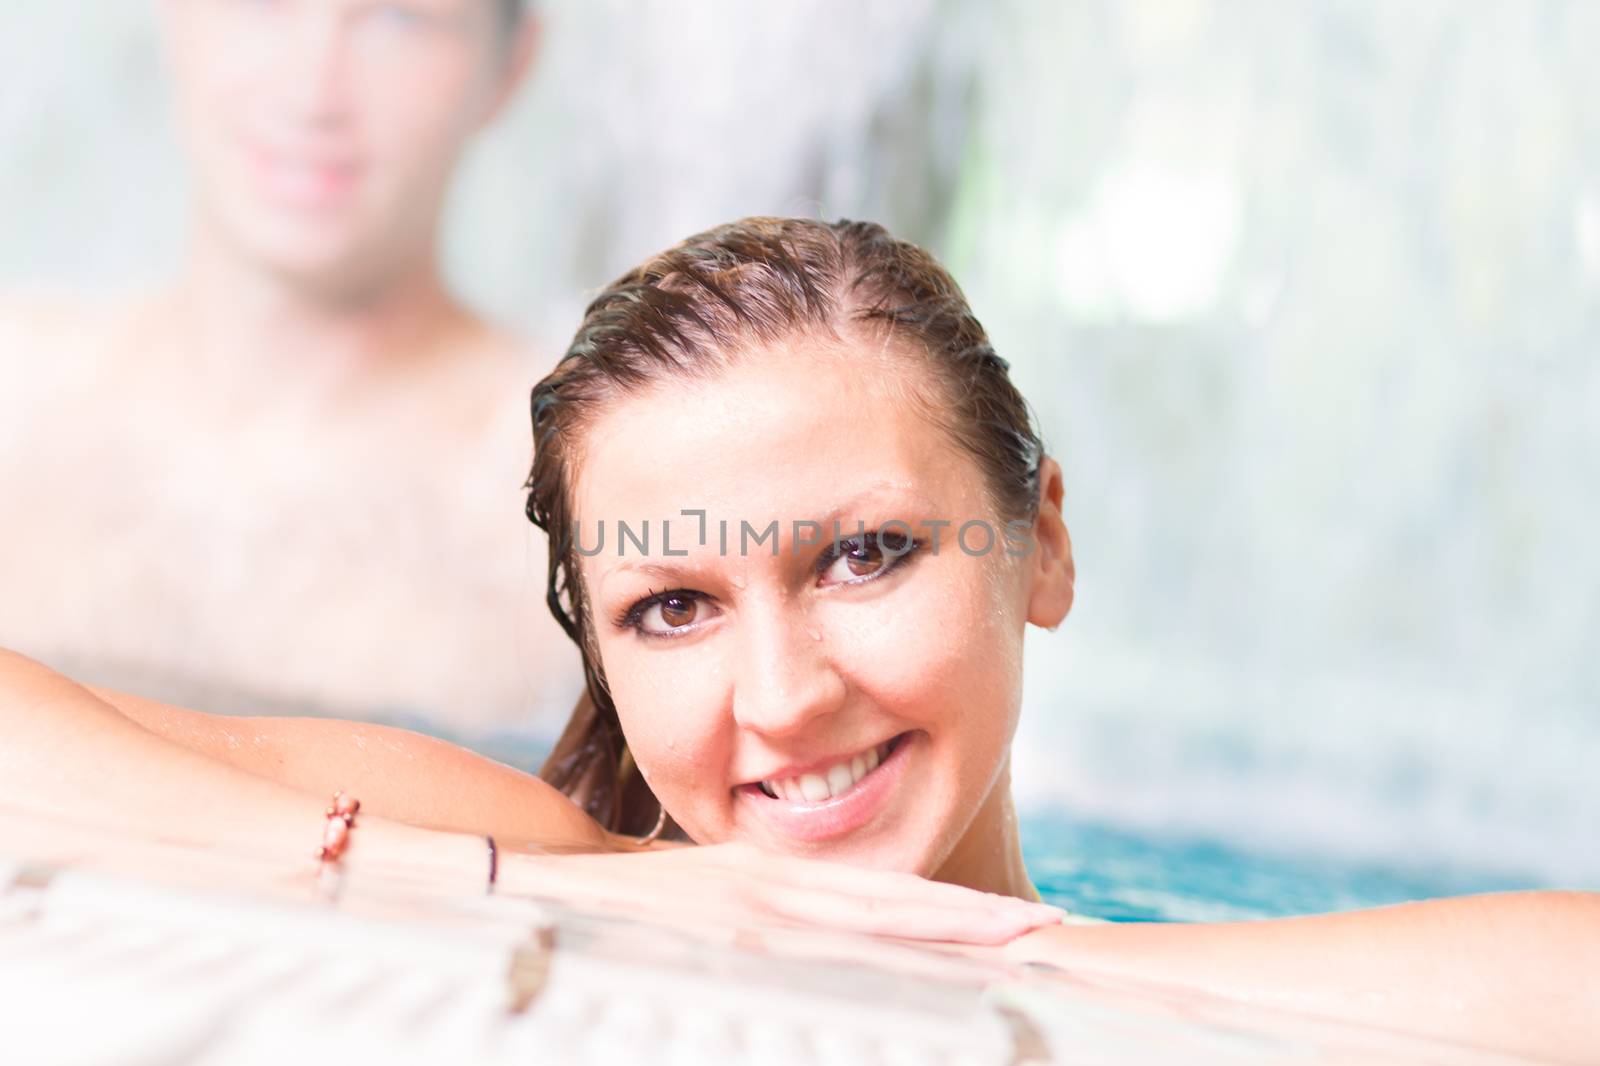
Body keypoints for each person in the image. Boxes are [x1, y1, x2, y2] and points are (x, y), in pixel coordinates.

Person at [3, 217, 1596, 1063]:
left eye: (868, 555)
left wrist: (1019, 965)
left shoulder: (1165, 937)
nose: (781, 698)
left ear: (1040, 541)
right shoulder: (554, 854)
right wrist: (514, 887)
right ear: (603, 653)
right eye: (674, 607)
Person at [0, 0, 575, 733]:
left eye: (401, 18)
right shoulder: (11, 385)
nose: (313, 94)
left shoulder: (575, 484)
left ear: (510, 66)